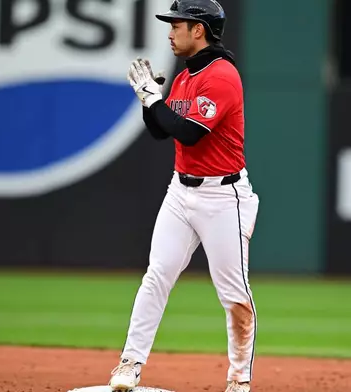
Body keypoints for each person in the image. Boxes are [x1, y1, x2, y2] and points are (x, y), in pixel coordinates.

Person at [109, 1, 258, 392]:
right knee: (156, 276)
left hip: (224, 198)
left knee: (234, 294)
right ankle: (130, 363)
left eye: (178, 24)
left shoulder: (222, 75)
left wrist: (152, 99)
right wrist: (150, 100)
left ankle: (239, 379)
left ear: (200, 30)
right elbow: (162, 131)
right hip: (181, 191)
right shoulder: (185, 77)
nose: (170, 31)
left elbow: (191, 133)